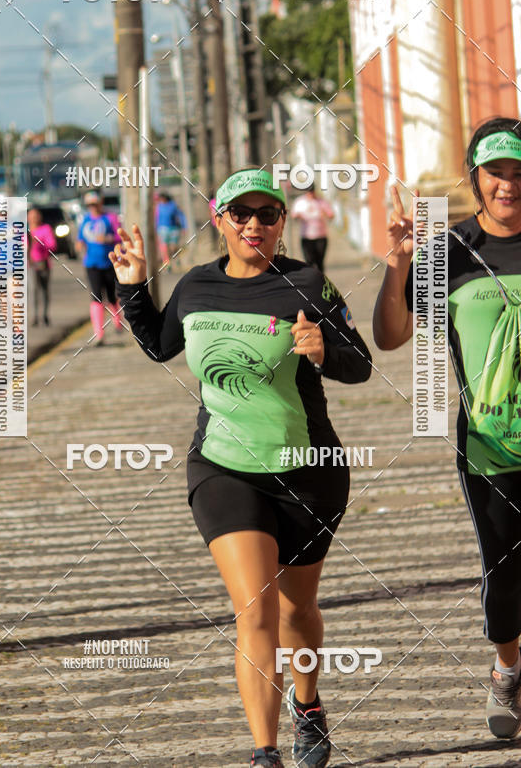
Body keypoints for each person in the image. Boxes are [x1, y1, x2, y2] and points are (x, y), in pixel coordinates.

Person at [110, 167, 372, 767]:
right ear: (220, 220)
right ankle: (264, 753)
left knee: (297, 610)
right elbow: (160, 344)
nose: (254, 224)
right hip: (222, 465)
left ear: (281, 224)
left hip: (307, 467)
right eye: (241, 214)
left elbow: (359, 364)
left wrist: (324, 351)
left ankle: (308, 704)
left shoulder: (309, 283)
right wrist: (131, 287)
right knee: (254, 608)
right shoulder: (198, 286)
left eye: (268, 215)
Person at [372, 116, 521, 740]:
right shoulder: (452, 255)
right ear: (474, 178)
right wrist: (401, 266)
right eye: (496, 173)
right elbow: (391, 335)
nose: (508, 185)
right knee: (506, 571)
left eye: (519, 172)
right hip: (491, 446)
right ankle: (508, 668)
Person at [76, 191, 123, 345]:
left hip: (109, 263)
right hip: (92, 264)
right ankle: (99, 334)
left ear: (100, 203)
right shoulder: (85, 220)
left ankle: (117, 322)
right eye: (90, 205)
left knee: (111, 295)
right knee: (96, 296)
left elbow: (119, 236)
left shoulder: (110, 218)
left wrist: (108, 238)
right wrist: (79, 244)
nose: (93, 208)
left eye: (95, 205)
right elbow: (80, 238)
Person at [291, 186, 335, 274]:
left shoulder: (321, 202)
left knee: (320, 262)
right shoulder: (300, 202)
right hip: (306, 236)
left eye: (312, 192)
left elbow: (331, 215)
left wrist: (325, 214)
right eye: (308, 192)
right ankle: (311, 282)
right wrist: (298, 216)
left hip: (320, 236)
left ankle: (321, 282)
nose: (310, 194)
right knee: (309, 261)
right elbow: (293, 215)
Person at [28, 207, 56, 326]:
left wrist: (39, 243)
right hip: (30, 264)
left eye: (36, 215)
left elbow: (53, 245)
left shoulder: (46, 229)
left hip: (44, 263)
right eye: (31, 215)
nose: (34, 218)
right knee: (33, 289)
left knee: (44, 290)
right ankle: (34, 316)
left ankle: (45, 315)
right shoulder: (24, 231)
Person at [155, 192, 186, 270]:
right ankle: (167, 262)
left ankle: (175, 259)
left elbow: (180, 216)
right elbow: (156, 219)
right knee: (164, 246)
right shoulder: (158, 207)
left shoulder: (173, 205)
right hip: (162, 229)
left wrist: (183, 226)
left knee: (173, 247)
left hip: (173, 228)